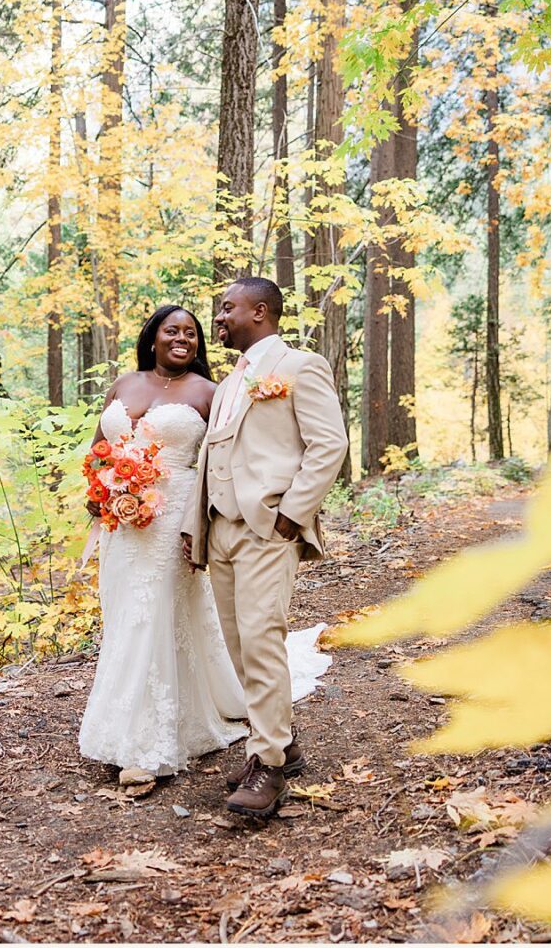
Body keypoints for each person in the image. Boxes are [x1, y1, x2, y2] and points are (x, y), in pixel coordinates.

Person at [181, 277, 348, 818]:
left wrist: (291, 516)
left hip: (267, 527)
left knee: (261, 640)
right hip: (221, 528)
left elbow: (330, 444)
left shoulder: (300, 367)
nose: (219, 318)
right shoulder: (229, 384)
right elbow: (209, 457)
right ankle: (281, 741)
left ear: (260, 311)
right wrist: (195, 524)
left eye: (227, 308)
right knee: (237, 646)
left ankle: (269, 767)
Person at [77, 305, 249, 784]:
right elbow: (100, 451)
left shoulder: (208, 393)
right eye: (172, 331)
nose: (183, 339)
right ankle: (135, 719)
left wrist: (206, 524)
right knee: (125, 617)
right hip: (122, 524)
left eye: (191, 334)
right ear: (152, 337)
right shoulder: (124, 385)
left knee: (153, 617)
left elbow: (222, 462)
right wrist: (99, 491)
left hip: (175, 519)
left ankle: (145, 747)